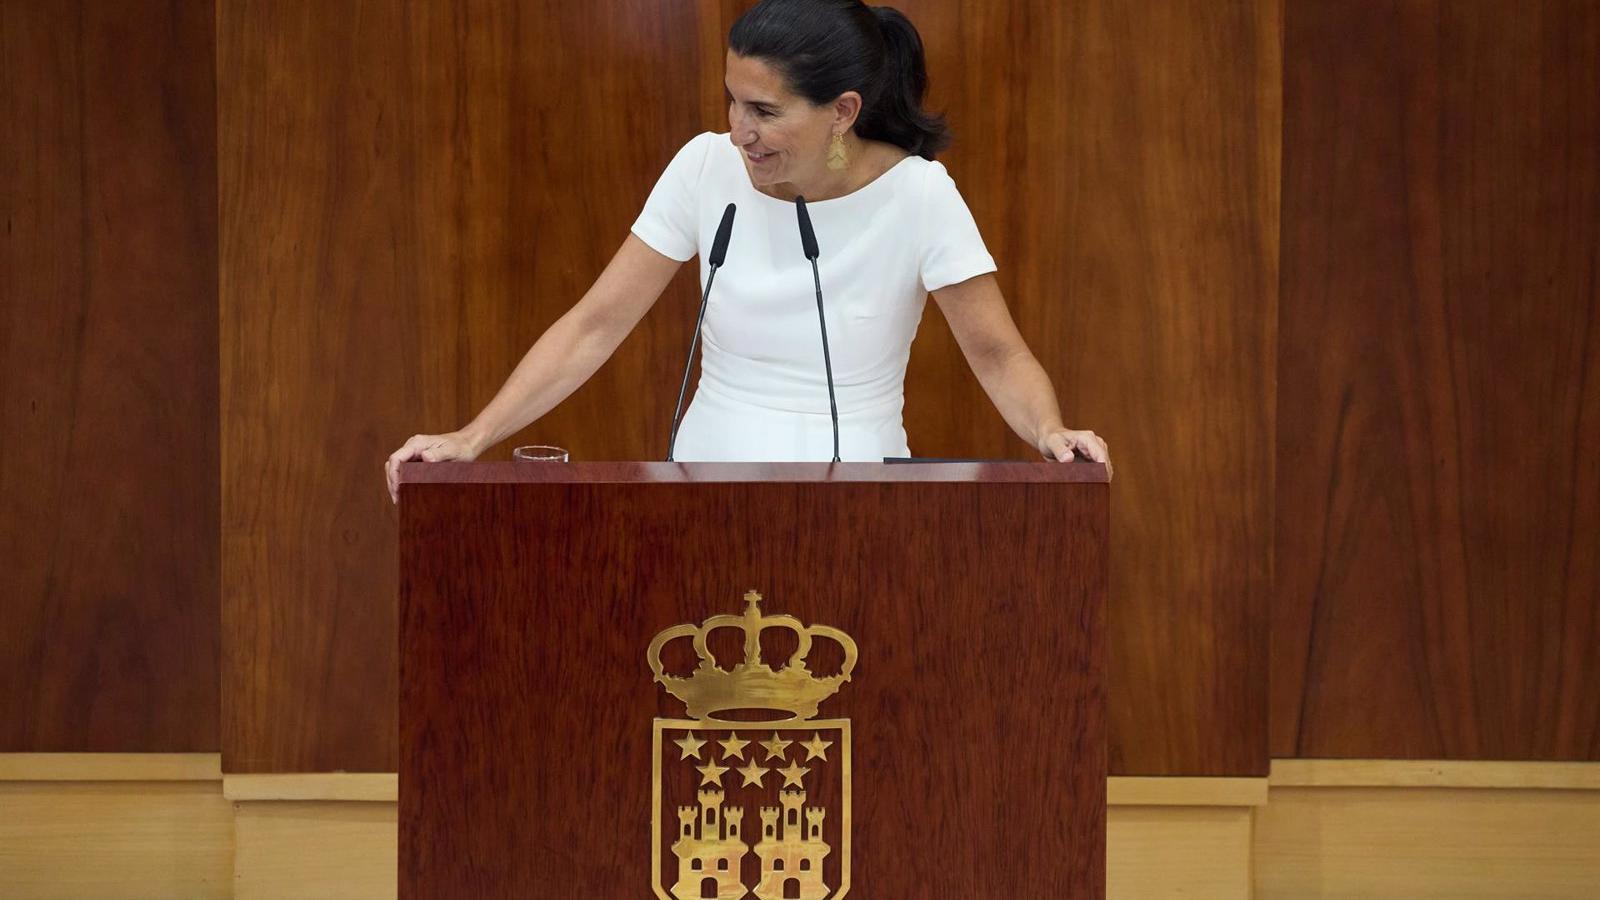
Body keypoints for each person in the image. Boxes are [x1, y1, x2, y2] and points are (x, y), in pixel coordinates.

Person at [386, 0, 1110, 503]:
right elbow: (594, 324)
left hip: (859, 502)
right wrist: (473, 435)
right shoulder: (705, 167)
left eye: (764, 111)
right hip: (701, 492)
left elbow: (997, 353)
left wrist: (1050, 430)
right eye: (732, 100)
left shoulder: (920, 196)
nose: (739, 130)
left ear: (843, 111)